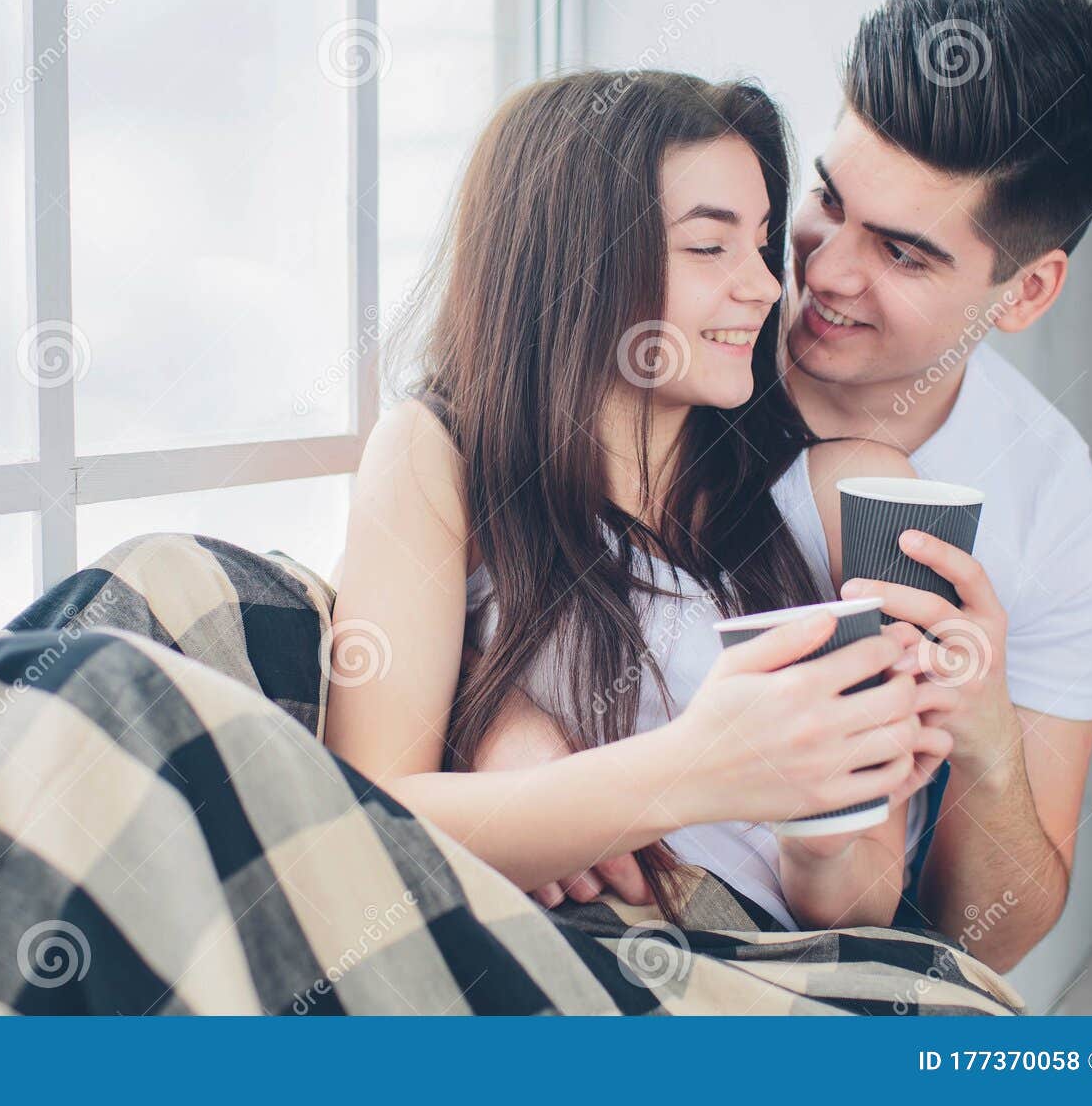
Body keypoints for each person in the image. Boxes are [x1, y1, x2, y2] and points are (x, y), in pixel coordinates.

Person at [485, 0, 1092, 972]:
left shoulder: (1057, 525)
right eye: (829, 200)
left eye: (902, 253)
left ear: (1025, 291)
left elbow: (976, 941)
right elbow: (489, 550)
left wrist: (988, 745)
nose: (822, 270)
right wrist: (511, 728)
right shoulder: (663, 340)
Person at [323, 69, 953, 931]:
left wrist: (818, 837)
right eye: (709, 247)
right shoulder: (438, 457)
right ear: (575, 266)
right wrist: (693, 767)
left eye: (764, 243)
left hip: (758, 978)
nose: (768, 288)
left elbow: (871, 902)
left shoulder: (861, 496)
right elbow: (367, 817)